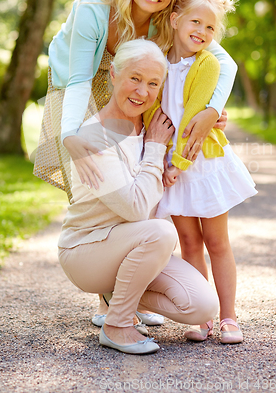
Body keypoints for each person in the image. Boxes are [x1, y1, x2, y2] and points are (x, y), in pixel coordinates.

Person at [33, 0, 236, 325]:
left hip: (132, 84)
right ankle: (108, 302)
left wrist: (211, 109)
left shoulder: (167, 17)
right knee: (95, 183)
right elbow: (79, 79)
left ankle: (127, 291)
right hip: (77, 85)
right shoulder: (95, 6)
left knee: (134, 180)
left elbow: (224, 62)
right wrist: (70, 135)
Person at [57, 39, 219, 354]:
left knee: (202, 306)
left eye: (153, 84)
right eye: (134, 78)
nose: (142, 91)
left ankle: (120, 295)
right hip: (86, 251)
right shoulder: (94, 138)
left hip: (130, 249)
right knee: (160, 232)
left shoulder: (149, 126)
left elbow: (208, 78)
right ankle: (117, 325)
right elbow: (135, 208)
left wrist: (212, 114)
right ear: (114, 75)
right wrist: (156, 149)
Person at [143, 0, 257, 344]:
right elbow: (152, 111)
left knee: (217, 242)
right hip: (172, 165)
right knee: (189, 243)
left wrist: (178, 162)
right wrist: (159, 156)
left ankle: (228, 317)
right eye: (196, 22)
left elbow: (193, 115)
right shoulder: (158, 59)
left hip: (200, 162)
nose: (203, 32)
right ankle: (202, 315)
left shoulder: (207, 63)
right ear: (175, 20)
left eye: (210, 27)